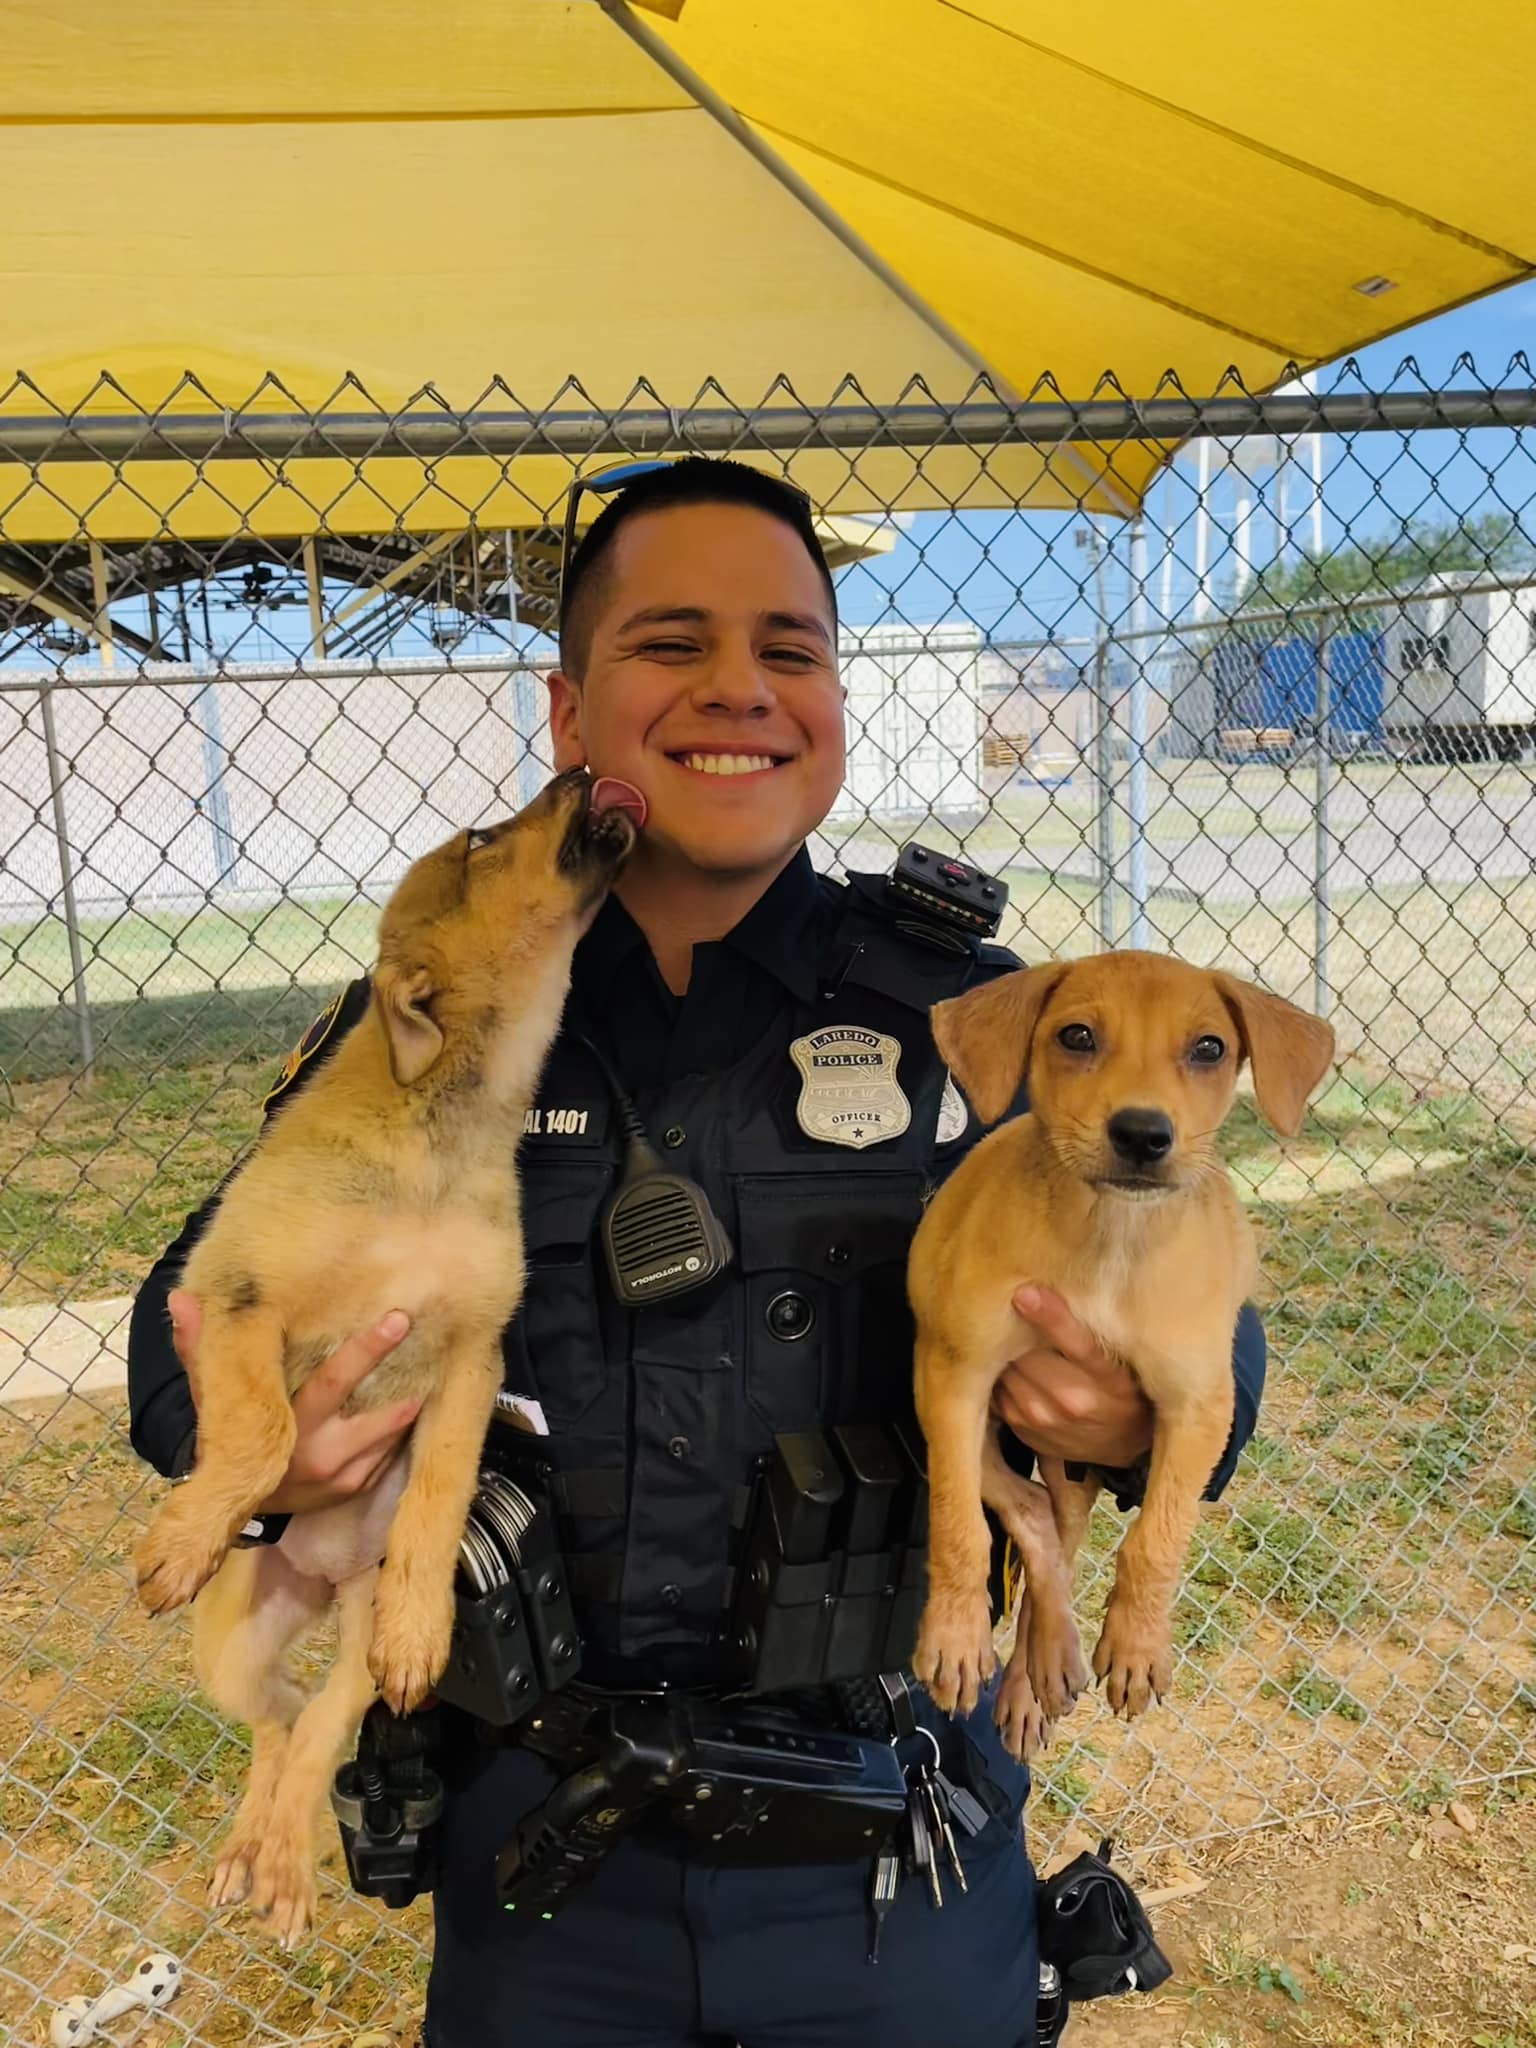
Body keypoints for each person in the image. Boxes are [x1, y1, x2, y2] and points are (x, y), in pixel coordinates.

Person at [128, 459, 1265, 2048]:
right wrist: (263, 1444)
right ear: (569, 712)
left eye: (791, 650)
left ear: (838, 704)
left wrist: (1138, 1421)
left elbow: (1208, 1310)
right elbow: (182, 1316)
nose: (740, 687)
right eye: (670, 643)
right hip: (546, 1854)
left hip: (891, 1843)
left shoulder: (984, 1024)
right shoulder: (438, 1018)